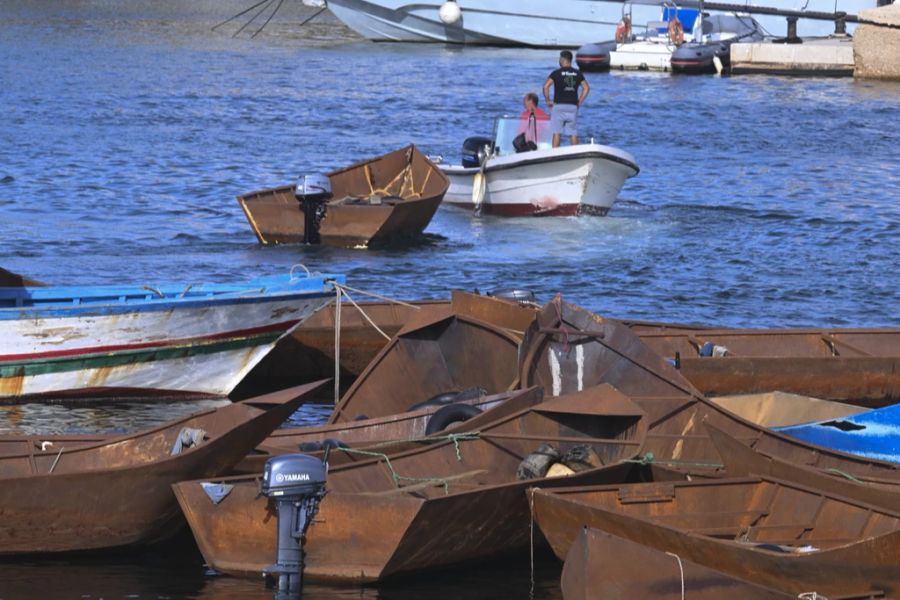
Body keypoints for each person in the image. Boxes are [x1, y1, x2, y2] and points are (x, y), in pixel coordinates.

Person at [543, 50, 590, 148]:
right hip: (572, 106)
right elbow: (586, 88)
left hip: (558, 106)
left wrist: (548, 100)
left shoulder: (556, 73)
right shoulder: (577, 73)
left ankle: (555, 154)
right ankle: (576, 153)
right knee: (572, 132)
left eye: (560, 58)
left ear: (563, 59)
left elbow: (545, 86)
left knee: (557, 132)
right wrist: (579, 102)